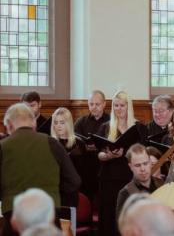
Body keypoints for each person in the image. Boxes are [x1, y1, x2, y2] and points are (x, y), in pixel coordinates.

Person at [0, 103, 81, 236]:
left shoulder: (3, 147)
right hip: (49, 214)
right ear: (34, 123)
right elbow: (74, 181)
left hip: (14, 217)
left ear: (9, 124)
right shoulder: (52, 144)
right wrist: (52, 192)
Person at [116, 141, 174, 217]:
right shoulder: (126, 193)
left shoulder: (167, 184)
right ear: (130, 166)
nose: (143, 169)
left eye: (146, 164)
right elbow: (122, 228)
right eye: (137, 165)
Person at [96, 90, 138, 236]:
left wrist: (125, 154)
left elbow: (141, 153)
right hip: (108, 178)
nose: (118, 109)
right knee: (109, 216)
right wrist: (108, 156)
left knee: (127, 215)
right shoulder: (106, 127)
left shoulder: (137, 128)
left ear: (128, 106)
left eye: (122, 105)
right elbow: (99, 154)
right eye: (116, 106)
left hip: (129, 178)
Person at [51, 107, 85, 206]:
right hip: (55, 190)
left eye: (62, 122)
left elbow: (83, 170)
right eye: (56, 122)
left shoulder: (79, 143)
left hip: (73, 190)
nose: (58, 126)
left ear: (69, 123)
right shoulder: (50, 143)